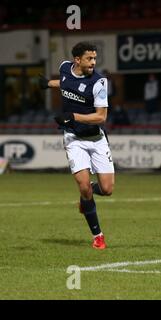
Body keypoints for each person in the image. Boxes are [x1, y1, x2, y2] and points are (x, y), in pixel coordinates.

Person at [39, 42, 114, 250]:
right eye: (89, 59)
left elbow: (101, 116)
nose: (93, 63)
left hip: (96, 139)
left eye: (95, 58)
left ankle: (85, 197)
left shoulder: (99, 82)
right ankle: (98, 235)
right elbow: (65, 82)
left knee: (107, 189)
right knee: (83, 186)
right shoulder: (64, 68)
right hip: (73, 138)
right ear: (77, 60)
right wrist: (48, 84)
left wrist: (73, 116)